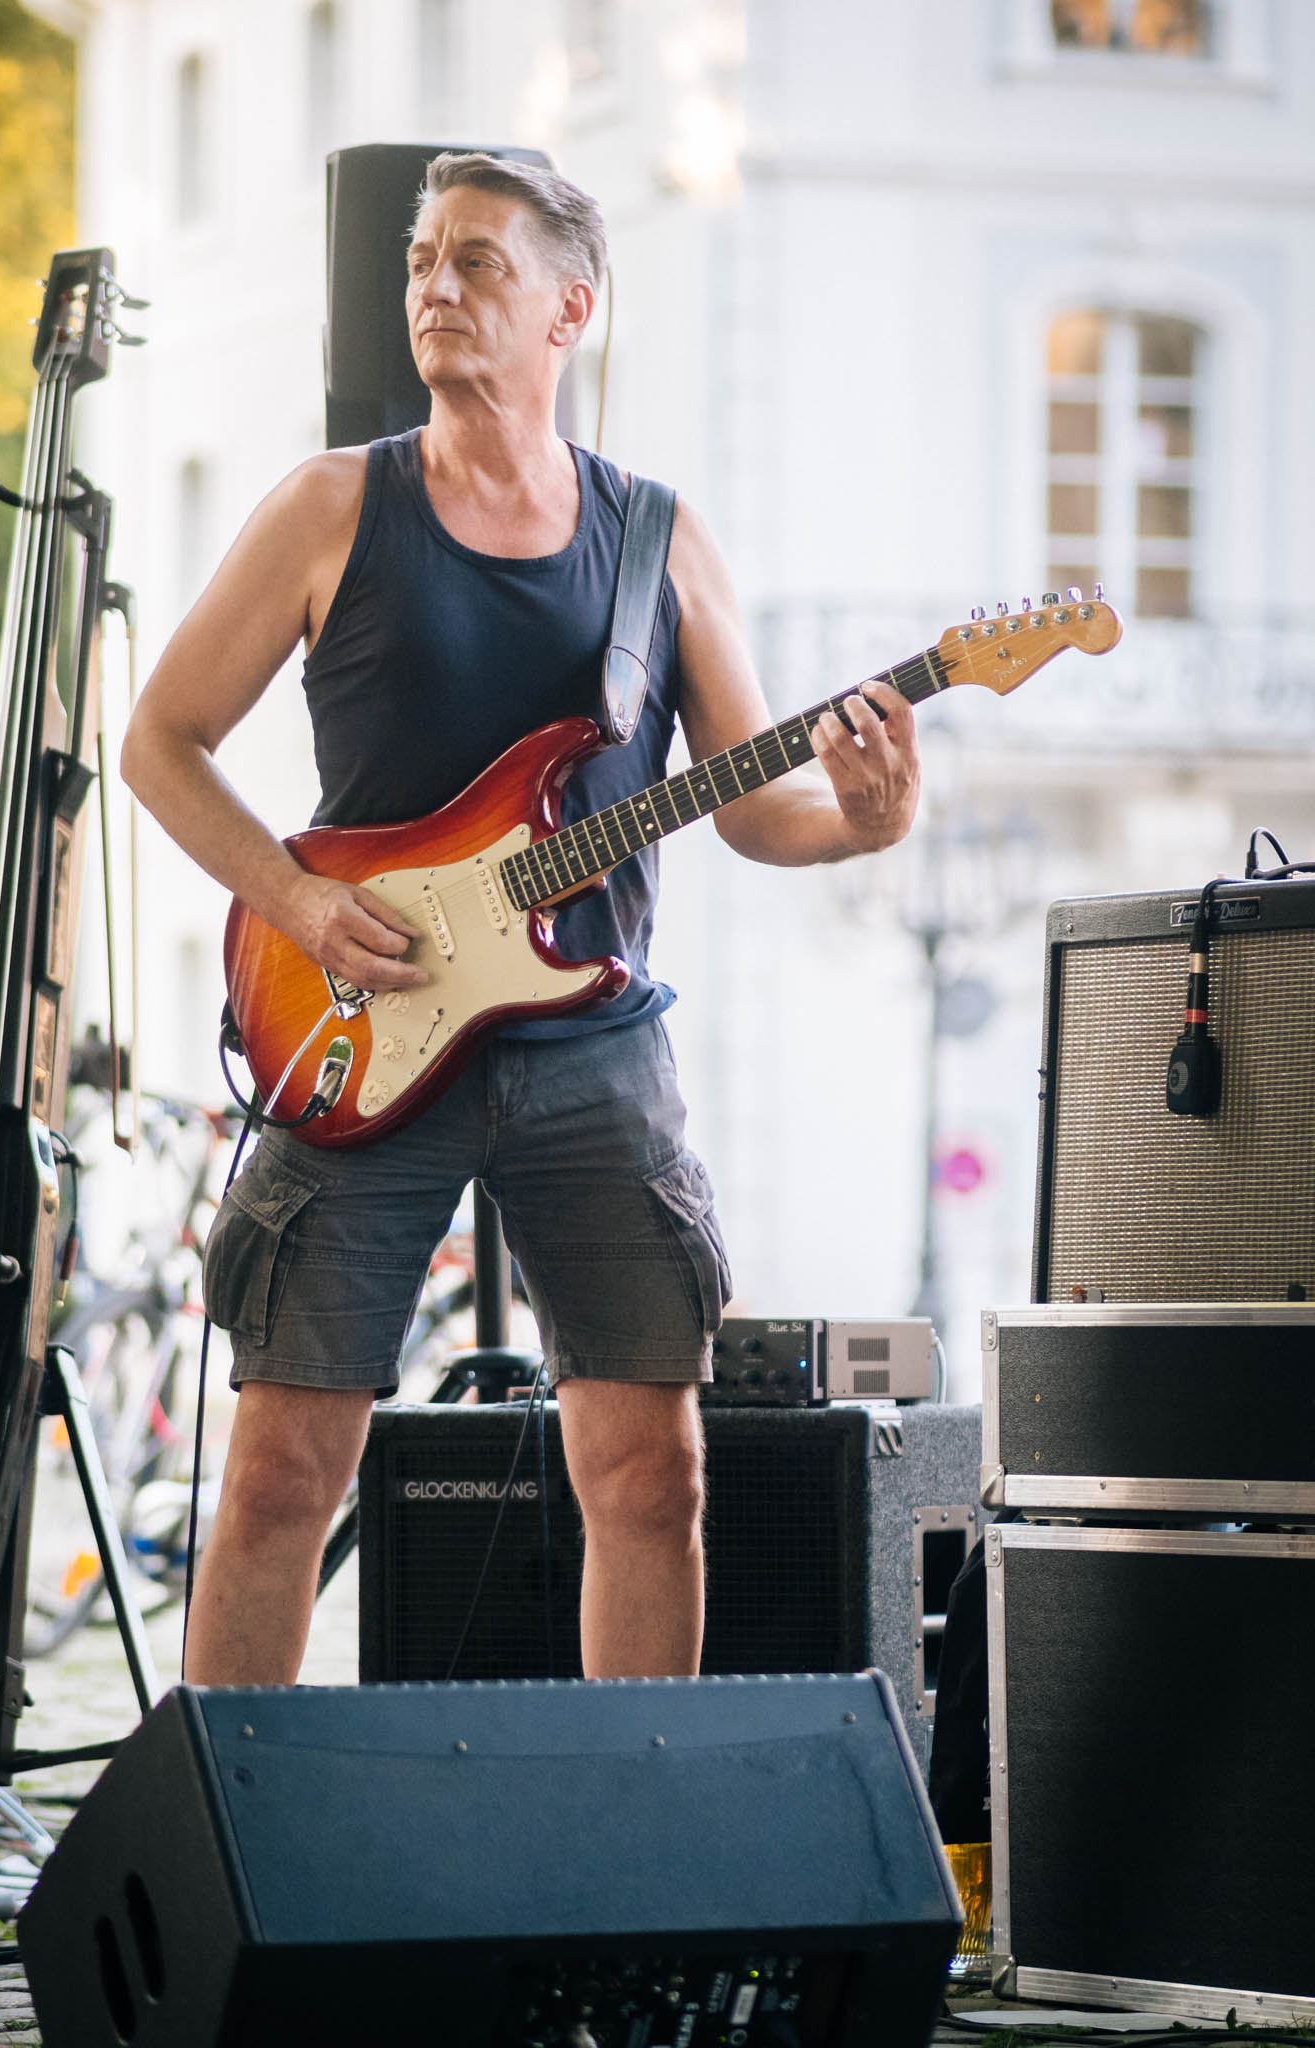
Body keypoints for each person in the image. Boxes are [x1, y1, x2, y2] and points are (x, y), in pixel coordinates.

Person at [120, 152, 920, 1688]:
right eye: (422, 259)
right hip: (355, 1030)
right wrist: (297, 899)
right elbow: (162, 740)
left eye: (476, 261)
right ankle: (233, 1820)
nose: (433, 287)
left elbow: (754, 807)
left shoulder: (658, 541)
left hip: (594, 1054)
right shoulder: (333, 505)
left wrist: (862, 826)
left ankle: (642, 1828)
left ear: (570, 307)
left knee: (652, 1480)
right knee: (281, 1477)